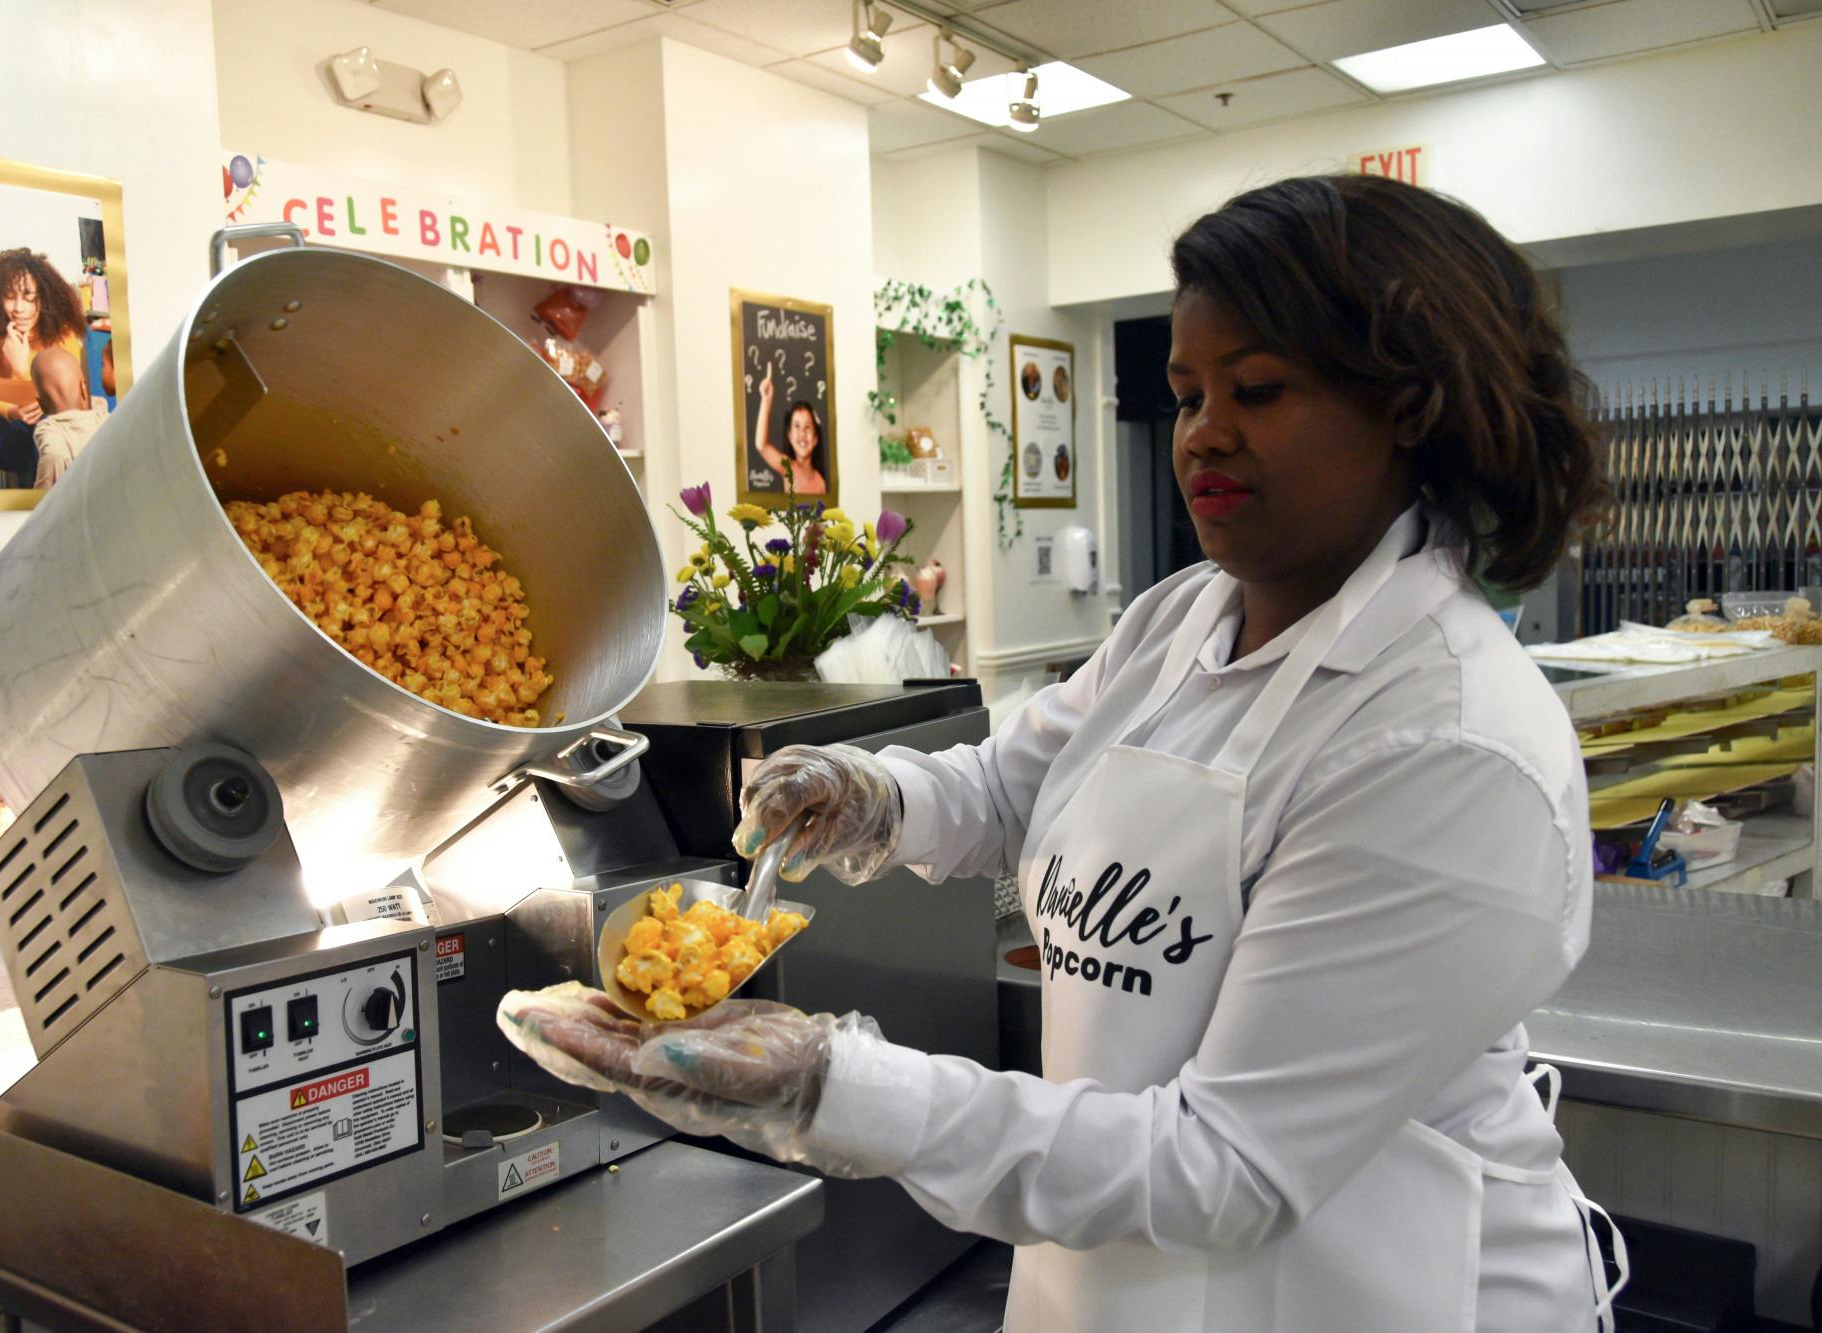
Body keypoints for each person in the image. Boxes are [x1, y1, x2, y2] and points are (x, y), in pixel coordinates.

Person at [502, 175, 1626, 1332]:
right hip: (1116, 1257)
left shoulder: (1441, 744)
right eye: (1186, 394)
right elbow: (1009, 785)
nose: (1201, 434)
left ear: (1408, 405)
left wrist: (827, 1084)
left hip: (1369, 1285)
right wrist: (873, 797)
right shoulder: (1179, 618)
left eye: (1257, 389)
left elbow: (1225, 1167)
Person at [0, 247, 85, 488]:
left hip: (47, 426)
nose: (19, 308)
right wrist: (11, 411)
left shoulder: (63, 331)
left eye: (29, 297)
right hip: (7, 426)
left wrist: (20, 368)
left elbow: (64, 397)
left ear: (44, 298)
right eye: (10, 297)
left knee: (49, 423)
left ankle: (38, 503)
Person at [29, 345, 109, 491]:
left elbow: (52, 457)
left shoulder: (50, 431)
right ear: (84, 388)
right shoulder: (104, 418)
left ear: (41, 404)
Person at [753, 374, 828, 496]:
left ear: (815, 439)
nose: (802, 433)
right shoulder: (788, 468)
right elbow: (761, 445)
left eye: (807, 427)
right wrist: (766, 400)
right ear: (790, 437)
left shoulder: (820, 482)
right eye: (797, 426)